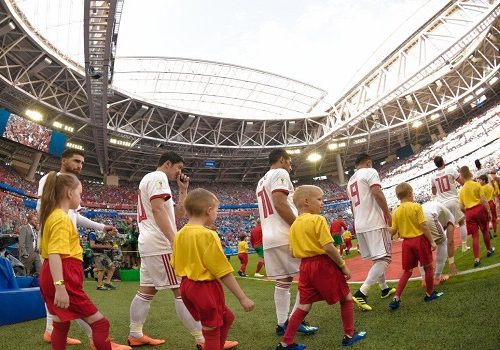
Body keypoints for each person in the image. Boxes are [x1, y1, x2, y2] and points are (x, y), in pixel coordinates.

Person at [128, 151, 236, 349]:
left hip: (150, 242)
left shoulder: (155, 181)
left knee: (146, 291)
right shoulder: (157, 177)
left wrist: (183, 190)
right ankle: (202, 339)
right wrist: (174, 240)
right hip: (160, 243)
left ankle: (135, 333)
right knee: (181, 290)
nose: (179, 172)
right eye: (178, 167)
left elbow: (176, 215)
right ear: (167, 163)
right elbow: (158, 210)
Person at [37, 149, 128, 350]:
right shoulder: (61, 218)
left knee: (61, 325)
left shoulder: (54, 215)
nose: (81, 198)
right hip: (64, 273)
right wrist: (60, 286)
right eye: (80, 194)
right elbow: (55, 254)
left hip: (55, 273)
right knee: (101, 323)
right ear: (69, 193)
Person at [275, 185, 366, 350]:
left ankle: (286, 342)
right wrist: (343, 266)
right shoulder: (318, 219)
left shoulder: (294, 225)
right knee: (345, 298)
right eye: (320, 199)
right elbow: (329, 247)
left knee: (304, 305)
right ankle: (349, 335)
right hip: (323, 265)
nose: (323, 203)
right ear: (307, 201)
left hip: (305, 267)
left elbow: (293, 252)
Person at [173, 188, 254, 350]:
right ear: (208, 211)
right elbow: (223, 271)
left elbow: (174, 263)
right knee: (211, 329)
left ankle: (216, 345)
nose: (217, 214)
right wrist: (242, 297)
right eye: (216, 210)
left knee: (227, 317)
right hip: (205, 287)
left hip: (187, 286)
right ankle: (212, 345)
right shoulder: (208, 235)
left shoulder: (180, 234)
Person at [256, 149, 319, 336]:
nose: (290, 167)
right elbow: (279, 202)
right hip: (285, 234)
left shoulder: (261, 182)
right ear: (282, 160)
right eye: (289, 162)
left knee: (284, 280)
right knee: (310, 277)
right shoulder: (280, 173)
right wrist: (297, 226)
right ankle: (294, 320)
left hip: (270, 236)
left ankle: (282, 323)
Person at [346, 153, 395, 311]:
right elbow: (377, 192)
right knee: (385, 257)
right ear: (368, 162)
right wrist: (387, 214)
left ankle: (384, 288)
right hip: (373, 221)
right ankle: (362, 292)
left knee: (377, 258)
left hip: (359, 223)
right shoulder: (370, 171)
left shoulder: (350, 180)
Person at [388, 182, 443, 310]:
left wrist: (385, 228)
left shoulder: (395, 211)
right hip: (419, 240)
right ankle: (429, 294)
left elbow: (393, 231)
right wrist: (432, 241)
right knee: (428, 267)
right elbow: (423, 226)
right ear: (410, 193)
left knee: (407, 271)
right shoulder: (416, 206)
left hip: (406, 243)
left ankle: (396, 297)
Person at [430, 156, 470, 252]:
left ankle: (447, 249)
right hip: (453, 199)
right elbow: (462, 182)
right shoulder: (451, 170)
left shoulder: (433, 176)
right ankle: (464, 245)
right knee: (461, 223)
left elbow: (434, 192)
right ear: (443, 162)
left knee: (448, 226)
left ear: (435, 165)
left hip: (442, 204)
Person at [458, 166, 495, 267]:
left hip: (469, 212)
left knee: (475, 236)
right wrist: (488, 211)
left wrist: (467, 213)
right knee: (485, 230)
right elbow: (483, 200)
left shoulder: (461, 191)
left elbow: (461, 207)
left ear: (461, 176)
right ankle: (489, 250)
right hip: (479, 209)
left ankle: (477, 259)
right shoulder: (477, 185)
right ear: (469, 173)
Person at [418, 200, 457, 286]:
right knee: (443, 242)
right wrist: (451, 262)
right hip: (427, 215)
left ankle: (424, 279)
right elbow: (450, 241)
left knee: (422, 247)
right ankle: (437, 277)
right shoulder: (450, 217)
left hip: (417, 215)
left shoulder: (438, 208)